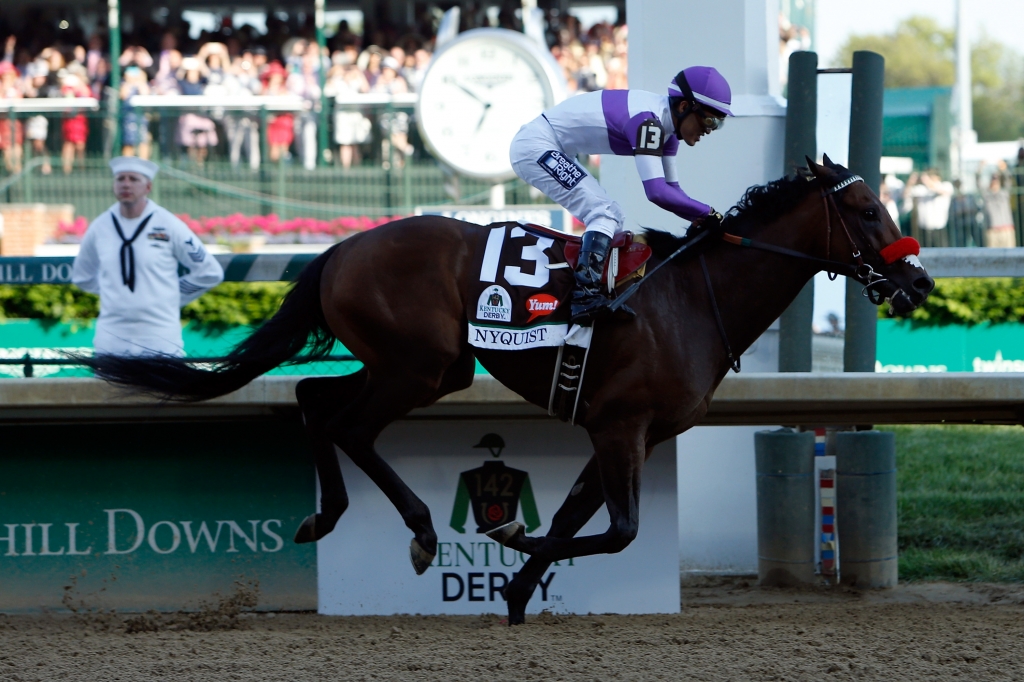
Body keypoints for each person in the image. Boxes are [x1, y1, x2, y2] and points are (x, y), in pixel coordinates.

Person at [510, 66, 732, 324]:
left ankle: (589, 291)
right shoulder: (649, 122)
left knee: (609, 212)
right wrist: (708, 213)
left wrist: (703, 218)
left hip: (552, 145)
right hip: (536, 145)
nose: (710, 130)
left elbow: (673, 192)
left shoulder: (667, 133)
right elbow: (657, 192)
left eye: (719, 124)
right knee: (605, 212)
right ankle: (584, 297)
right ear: (684, 106)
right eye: (710, 120)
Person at [72, 157, 224, 357]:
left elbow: (209, 272)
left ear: (148, 187)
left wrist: (170, 296)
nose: (126, 184)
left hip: (160, 338)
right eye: (120, 179)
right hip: (111, 340)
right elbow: (82, 276)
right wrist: (114, 293)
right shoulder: (100, 227)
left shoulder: (169, 224)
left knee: (162, 389)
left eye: (134, 179)